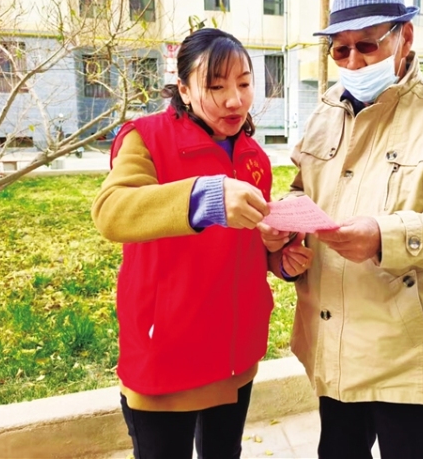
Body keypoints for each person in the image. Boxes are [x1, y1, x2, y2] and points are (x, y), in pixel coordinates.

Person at [260, 0, 423, 459]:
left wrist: (385, 237)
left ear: (405, 37)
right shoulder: (325, 113)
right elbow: (303, 191)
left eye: (367, 45)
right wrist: (286, 241)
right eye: (340, 50)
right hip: (333, 343)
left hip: (407, 355)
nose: (353, 62)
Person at [92, 28, 312, 459]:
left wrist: (278, 255)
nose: (234, 100)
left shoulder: (253, 156)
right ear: (184, 90)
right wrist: (203, 198)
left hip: (234, 352)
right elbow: (111, 210)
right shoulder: (146, 138)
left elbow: (247, 245)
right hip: (167, 353)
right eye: (215, 87)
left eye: (244, 84)